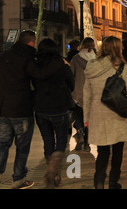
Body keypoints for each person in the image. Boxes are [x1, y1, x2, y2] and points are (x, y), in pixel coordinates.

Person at [0, 30, 66, 189]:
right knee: (22, 148)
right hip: (21, 109)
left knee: (2, 144)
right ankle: (19, 180)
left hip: (3, 109)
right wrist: (59, 63)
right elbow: (40, 74)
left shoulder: (4, 56)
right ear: (31, 43)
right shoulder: (27, 59)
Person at [83, 36, 127, 189]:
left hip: (97, 114)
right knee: (118, 151)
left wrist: (86, 117)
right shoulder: (122, 67)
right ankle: (113, 181)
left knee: (102, 151)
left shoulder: (91, 67)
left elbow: (86, 95)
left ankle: (99, 182)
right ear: (118, 48)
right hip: (117, 113)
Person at [33, 38, 75, 188]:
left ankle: (53, 173)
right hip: (59, 108)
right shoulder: (63, 66)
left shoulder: (36, 66)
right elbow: (72, 84)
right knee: (62, 140)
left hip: (41, 109)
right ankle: (53, 171)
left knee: (48, 141)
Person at [70, 37, 96, 151]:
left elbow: (71, 75)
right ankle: (87, 141)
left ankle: (80, 133)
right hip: (92, 93)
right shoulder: (96, 60)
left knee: (78, 115)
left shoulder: (76, 59)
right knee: (88, 118)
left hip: (78, 93)